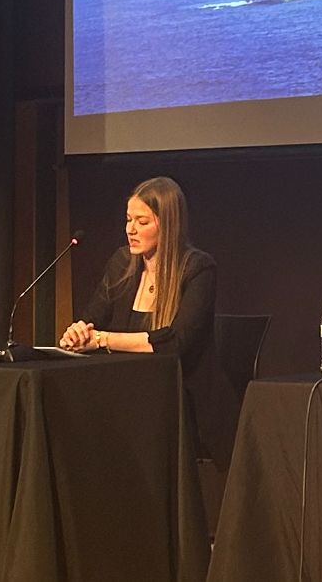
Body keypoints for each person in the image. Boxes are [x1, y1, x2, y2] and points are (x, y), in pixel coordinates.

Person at [60, 176, 231, 461]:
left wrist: (102, 340)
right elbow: (92, 320)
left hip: (182, 406)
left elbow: (176, 343)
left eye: (142, 222)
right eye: (128, 220)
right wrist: (78, 333)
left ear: (167, 224)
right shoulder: (122, 262)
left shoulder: (198, 268)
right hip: (127, 397)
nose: (130, 230)